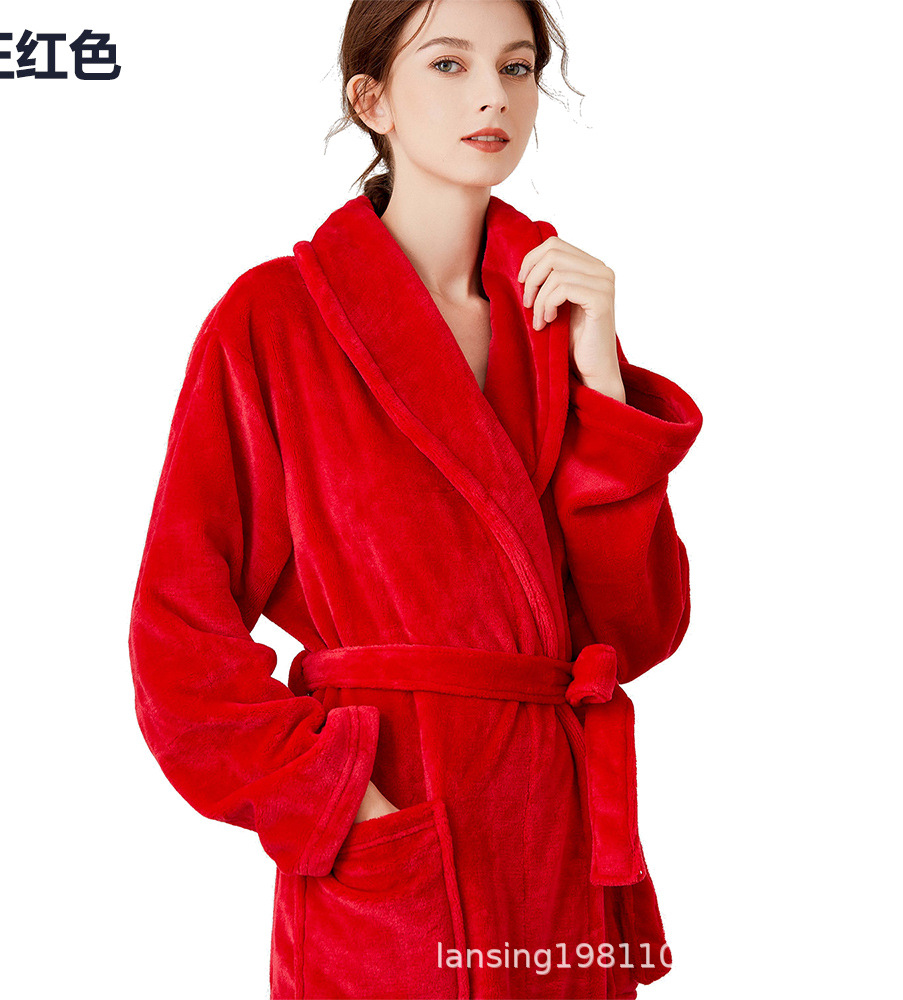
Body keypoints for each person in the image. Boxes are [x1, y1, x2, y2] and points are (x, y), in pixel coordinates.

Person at [128, 1, 704, 997]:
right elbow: (177, 639)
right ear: (372, 99)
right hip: (397, 842)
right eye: (447, 64)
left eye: (516, 67)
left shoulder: (556, 319)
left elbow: (634, 629)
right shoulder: (274, 320)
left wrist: (602, 382)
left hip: (554, 845)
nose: (493, 96)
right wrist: (337, 796)